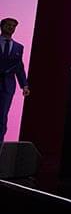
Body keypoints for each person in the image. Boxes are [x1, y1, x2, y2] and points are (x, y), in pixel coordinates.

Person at [0, 18, 30, 147]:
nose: (11, 28)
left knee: (2, 116)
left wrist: (24, 85)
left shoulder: (18, 47)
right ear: (2, 26)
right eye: (8, 25)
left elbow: (19, 67)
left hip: (8, 85)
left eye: (13, 26)